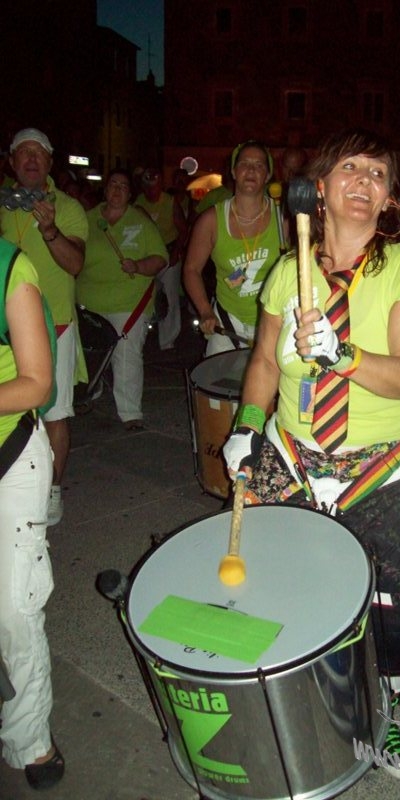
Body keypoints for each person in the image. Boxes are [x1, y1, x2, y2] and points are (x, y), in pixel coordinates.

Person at [222, 128, 400, 777]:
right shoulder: (287, 271)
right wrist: (246, 426)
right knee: (270, 585)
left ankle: (387, 714)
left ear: (389, 197)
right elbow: (265, 363)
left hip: (383, 463)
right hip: (293, 452)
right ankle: (289, 699)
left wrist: (342, 355)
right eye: (350, 168)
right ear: (319, 188)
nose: (363, 181)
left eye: (377, 172)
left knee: (398, 612)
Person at [0, 128, 88, 526]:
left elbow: (75, 264)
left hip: (56, 326)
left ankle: (51, 489)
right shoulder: (2, 204)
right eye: (24, 153)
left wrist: (50, 230)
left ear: (50, 163)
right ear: (12, 162)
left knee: (55, 413)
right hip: (4, 331)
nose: (32, 159)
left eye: (39, 153)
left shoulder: (68, 207)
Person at [0, 238, 63, 790]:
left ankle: (30, 739)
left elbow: (37, 383)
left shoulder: (9, 270)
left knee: (14, 613)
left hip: (11, 457)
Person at [76, 169, 168, 429]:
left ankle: (130, 412)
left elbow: (160, 258)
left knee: (126, 357)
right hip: (88, 301)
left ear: (130, 194)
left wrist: (138, 266)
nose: (117, 189)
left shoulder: (141, 221)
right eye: (113, 184)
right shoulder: (86, 219)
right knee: (87, 355)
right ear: (105, 190)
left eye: (123, 186)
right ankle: (88, 392)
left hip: (129, 303)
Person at [183, 141, 282, 355]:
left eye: (259, 165)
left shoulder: (283, 218)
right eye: (244, 163)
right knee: (214, 376)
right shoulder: (211, 220)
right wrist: (205, 311)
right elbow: (191, 269)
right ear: (234, 171)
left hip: (273, 322)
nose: (251, 170)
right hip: (227, 322)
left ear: (267, 175)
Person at [136, 167, 188, 351]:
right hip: (147, 256)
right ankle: (141, 333)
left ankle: (168, 339)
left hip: (168, 253)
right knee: (144, 295)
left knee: (170, 296)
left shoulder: (170, 202)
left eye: (155, 186)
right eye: (148, 186)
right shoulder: (138, 203)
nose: (152, 190)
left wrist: (176, 253)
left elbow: (183, 230)